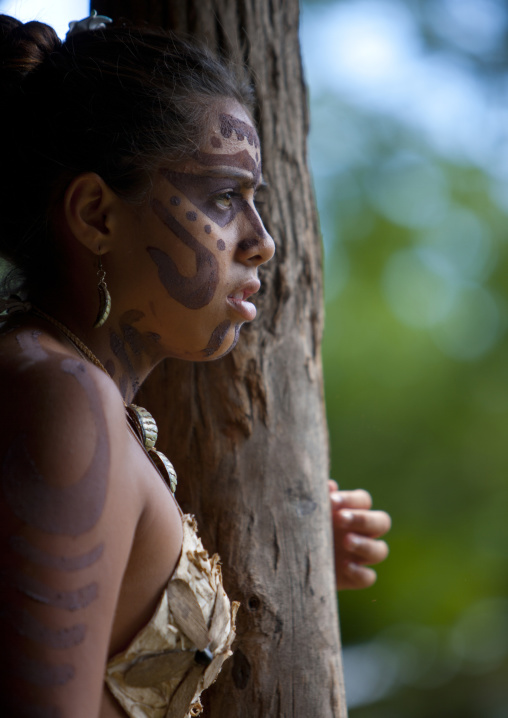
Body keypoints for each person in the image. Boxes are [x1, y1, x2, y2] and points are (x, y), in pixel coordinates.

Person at [0, 12, 390, 718]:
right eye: (223, 198)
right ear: (95, 214)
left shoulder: (77, 394)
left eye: (257, 202)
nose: (264, 242)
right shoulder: (60, 399)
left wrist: (301, 556)